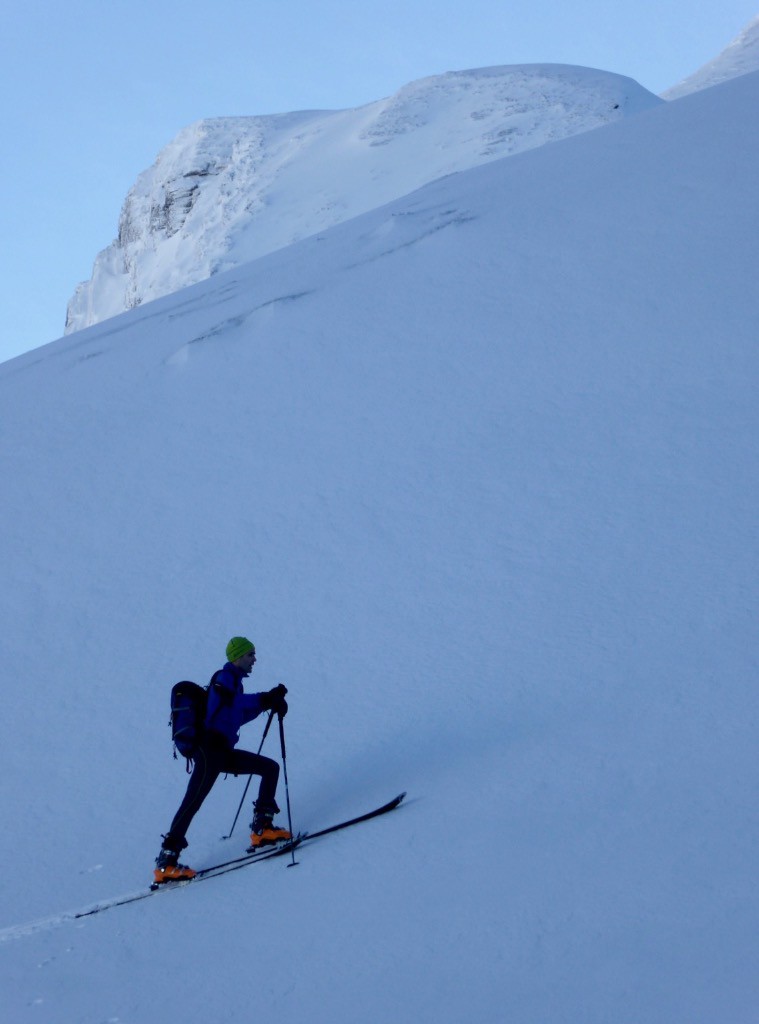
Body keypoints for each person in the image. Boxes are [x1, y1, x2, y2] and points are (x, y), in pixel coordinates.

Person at [154, 636, 291, 884]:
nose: (254, 659)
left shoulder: (234, 684)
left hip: (222, 752)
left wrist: (268, 704)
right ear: (238, 657)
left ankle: (263, 829)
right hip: (209, 751)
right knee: (193, 801)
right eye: (251, 655)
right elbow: (236, 704)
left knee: (269, 767)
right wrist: (264, 698)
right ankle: (167, 862)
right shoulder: (223, 678)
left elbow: (236, 715)